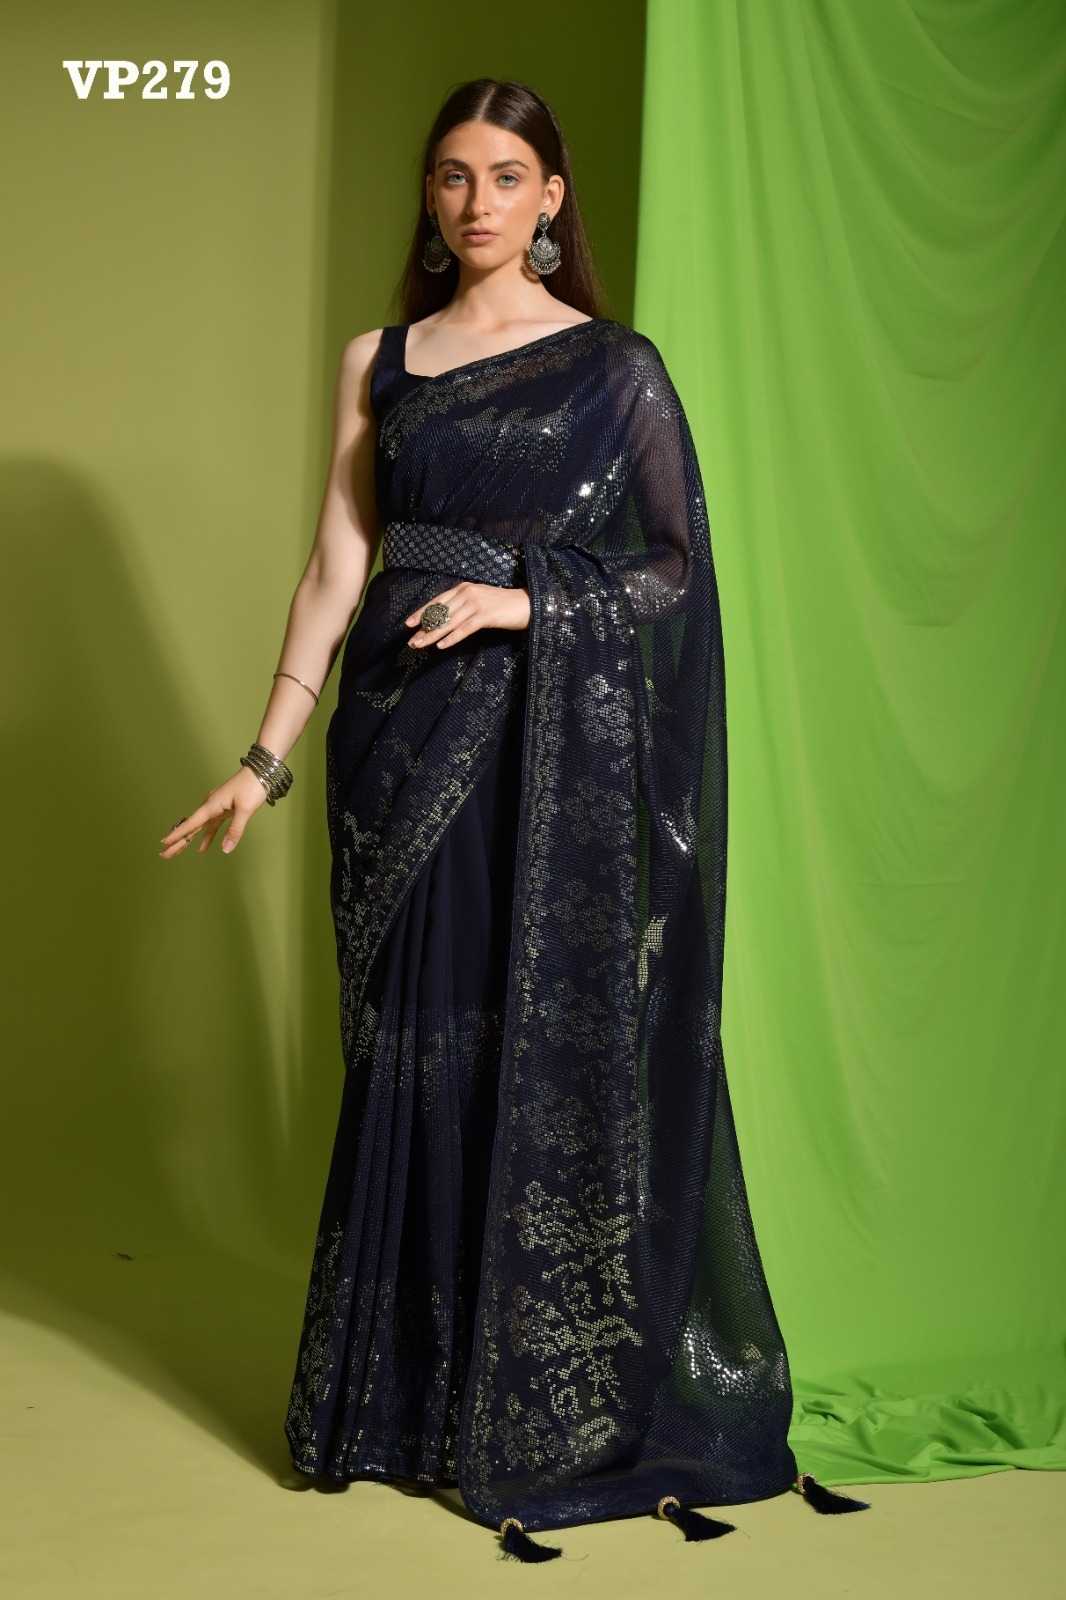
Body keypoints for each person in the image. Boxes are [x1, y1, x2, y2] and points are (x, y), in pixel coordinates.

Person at [159, 76, 869, 1563]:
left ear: (551, 199)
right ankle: (401, 1407)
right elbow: (336, 563)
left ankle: (529, 1411)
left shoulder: (615, 370)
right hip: (392, 745)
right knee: (407, 1053)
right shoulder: (381, 361)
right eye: (450, 174)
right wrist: (263, 759)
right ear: (431, 197)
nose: (472, 200)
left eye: (502, 175)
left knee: (520, 1046)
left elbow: (674, 569)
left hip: (540, 751)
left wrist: (528, 602)